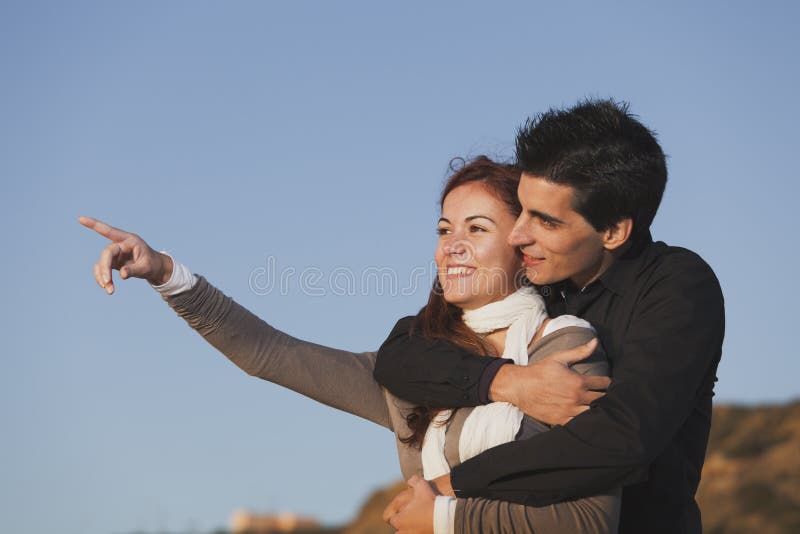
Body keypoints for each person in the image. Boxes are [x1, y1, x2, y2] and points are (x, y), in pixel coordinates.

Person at [79, 156, 619, 533]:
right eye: (442, 229)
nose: (451, 246)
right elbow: (269, 354)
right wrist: (165, 273)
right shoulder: (414, 372)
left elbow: (589, 521)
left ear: (522, 242)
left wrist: (442, 520)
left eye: (476, 229)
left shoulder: (563, 348)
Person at [373, 100, 725, 534]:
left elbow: (621, 439)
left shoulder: (678, 288)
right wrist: (504, 381)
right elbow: (400, 354)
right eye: (520, 210)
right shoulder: (532, 279)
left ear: (614, 230)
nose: (519, 234)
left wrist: (451, 489)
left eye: (546, 221)